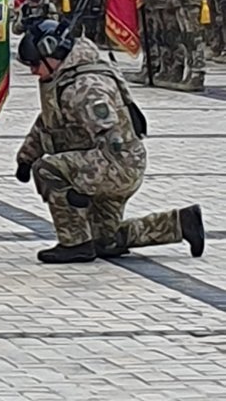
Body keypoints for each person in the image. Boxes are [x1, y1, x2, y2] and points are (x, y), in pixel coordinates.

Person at [15, 18, 204, 264]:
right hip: (116, 164)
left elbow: (112, 141)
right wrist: (26, 157)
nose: (32, 71)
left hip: (117, 165)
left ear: (53, 53)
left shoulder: (85, 87)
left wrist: (82, 183)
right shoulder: (67, 78)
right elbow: (50, 122)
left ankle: (74, 244)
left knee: (48, 169)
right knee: (106, 240)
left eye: (35, 64)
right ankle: (179, 223)